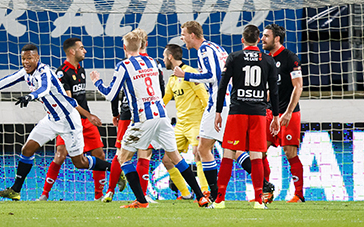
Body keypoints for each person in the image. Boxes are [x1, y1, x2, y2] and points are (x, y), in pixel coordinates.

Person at [0, 43, 111, 201]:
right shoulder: (26, 72)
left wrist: (30, 96)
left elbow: (44, 88)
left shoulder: (45, 72)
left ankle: (114, 169)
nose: (26, 62)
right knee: (27, 149)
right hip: (51, 120)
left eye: (29, 58)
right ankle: (15, 190)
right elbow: (8, 80)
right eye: (23, 59)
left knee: (80, 162)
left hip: (68, 120)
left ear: (37, 58)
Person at [90, 31, 210, 208]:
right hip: (162, 116)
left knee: (123, 157)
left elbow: (110, 94)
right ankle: (201, 197)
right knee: (176, 157)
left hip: (142, 119)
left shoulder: (124, 65)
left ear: (124, 47)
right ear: (141, 47)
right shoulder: (153, 62)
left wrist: (97, 82)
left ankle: (141, 200)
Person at [174, 21, 253, 202]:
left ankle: (216, 193)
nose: (182, 37)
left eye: (183, 34)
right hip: (228, 100)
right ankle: (261, 183)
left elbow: (213, 76)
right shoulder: (216, 48)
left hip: (219, 103)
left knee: (204, 148)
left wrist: (186, 75)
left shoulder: (203, 50)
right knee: (228, 148)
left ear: (192, 35)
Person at [211, 24, 280, 209]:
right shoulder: (268, 60)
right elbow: (274, 92)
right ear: (258, 40)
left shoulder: (234, 58)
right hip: (258, 113)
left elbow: (222, 86)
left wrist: (218, 112)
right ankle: (259, 201)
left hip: (237, 112)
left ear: (242, 40)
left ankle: (219, 201)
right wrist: (275, 116)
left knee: (228, 153)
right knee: (257, 154)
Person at [37, 38, 107, 201]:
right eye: (82, 48)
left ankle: (99, 196)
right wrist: (89, 115)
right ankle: (45, 194)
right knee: (60, 156)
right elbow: (69, 102)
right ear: (72, 51)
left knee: (99, 156)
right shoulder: (62, 73)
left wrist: (88, 116)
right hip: (68, 120)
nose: (85, 51)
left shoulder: (81, 70)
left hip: (86, 121)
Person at [102, 28, 164, 203]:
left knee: (120, 152)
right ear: (146, 43)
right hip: (147, 113)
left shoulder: (124, 63)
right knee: (144, 153)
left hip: (126, 112)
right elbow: (161, 88)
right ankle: (142, 196)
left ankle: (110, 191)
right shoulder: (153, 62)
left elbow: (116, 91)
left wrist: (115, 112)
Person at [260, 24, 305, 203]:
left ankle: (299, 194)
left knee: (290, 152)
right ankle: (265, 192)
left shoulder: (290, 58)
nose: (262, 39)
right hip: (270, 113)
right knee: (260, 151)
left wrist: (288, 112)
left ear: (277, 38)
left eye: (266, 36)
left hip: (289, 113)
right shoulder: (266, 58)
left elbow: (298, 86)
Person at [161, 43, 210, 199]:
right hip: (180, 125)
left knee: (199, 155)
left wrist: (207, 122)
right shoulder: (173, 79)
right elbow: (164, 100)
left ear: (170, 57)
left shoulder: (190, 73)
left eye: (164, 57)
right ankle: (186, 193)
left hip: (196, 123)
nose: (163, 60)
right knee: (167, 160)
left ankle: (204, 192)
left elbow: (205, 98)